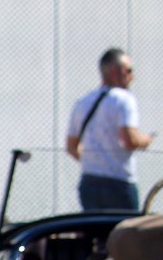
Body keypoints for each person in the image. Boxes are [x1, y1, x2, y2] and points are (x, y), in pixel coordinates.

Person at [65, 48, 153, 212]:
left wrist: (94, 160)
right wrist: (145, 141)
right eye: (129, 71)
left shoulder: (83, 102)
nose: (132, 77)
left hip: (89, 180)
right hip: (118, 181)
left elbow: (71, 146)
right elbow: (129, 140)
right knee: (125, 227)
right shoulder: (124, 99)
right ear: (114, 71)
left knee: (94, 226)